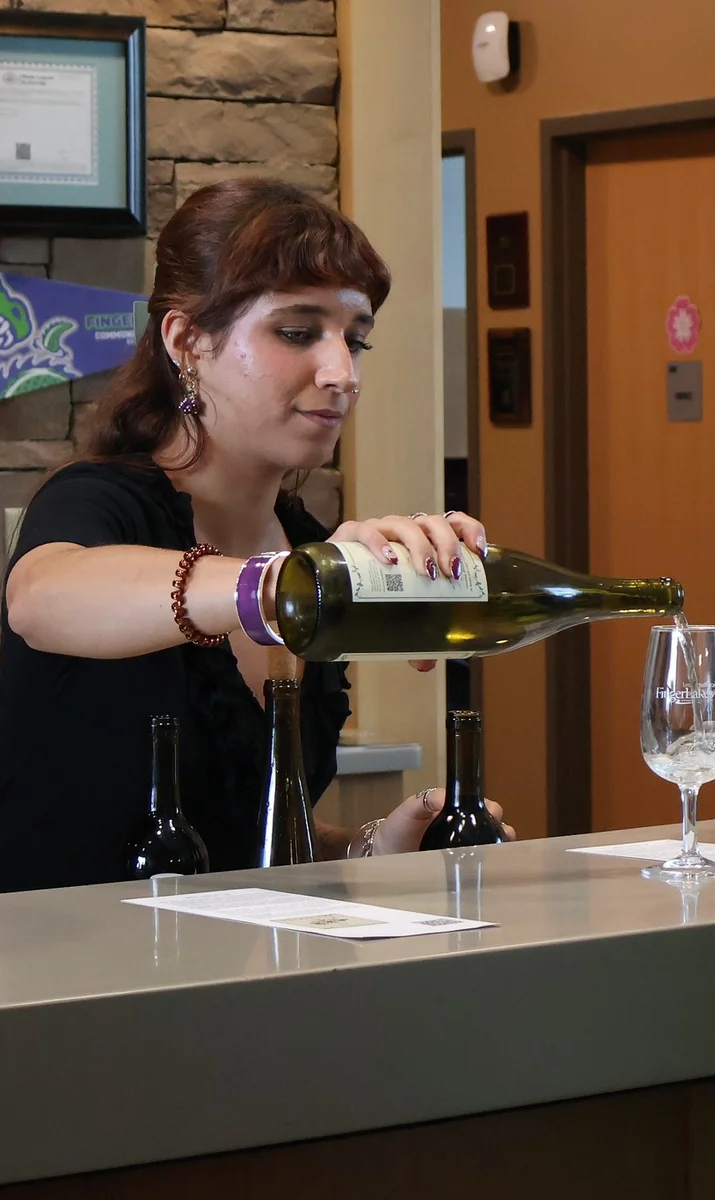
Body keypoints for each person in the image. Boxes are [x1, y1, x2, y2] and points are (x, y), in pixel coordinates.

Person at [0, 178, 514, 893]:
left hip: (221, 982)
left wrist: (373, 845)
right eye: (298, 332)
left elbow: (236, 838)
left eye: (356, 340)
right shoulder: (98, 501)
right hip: (61, 984)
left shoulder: (308, 543)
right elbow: (40, 596)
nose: (342, 373)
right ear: (188, 342)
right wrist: (275, 586)